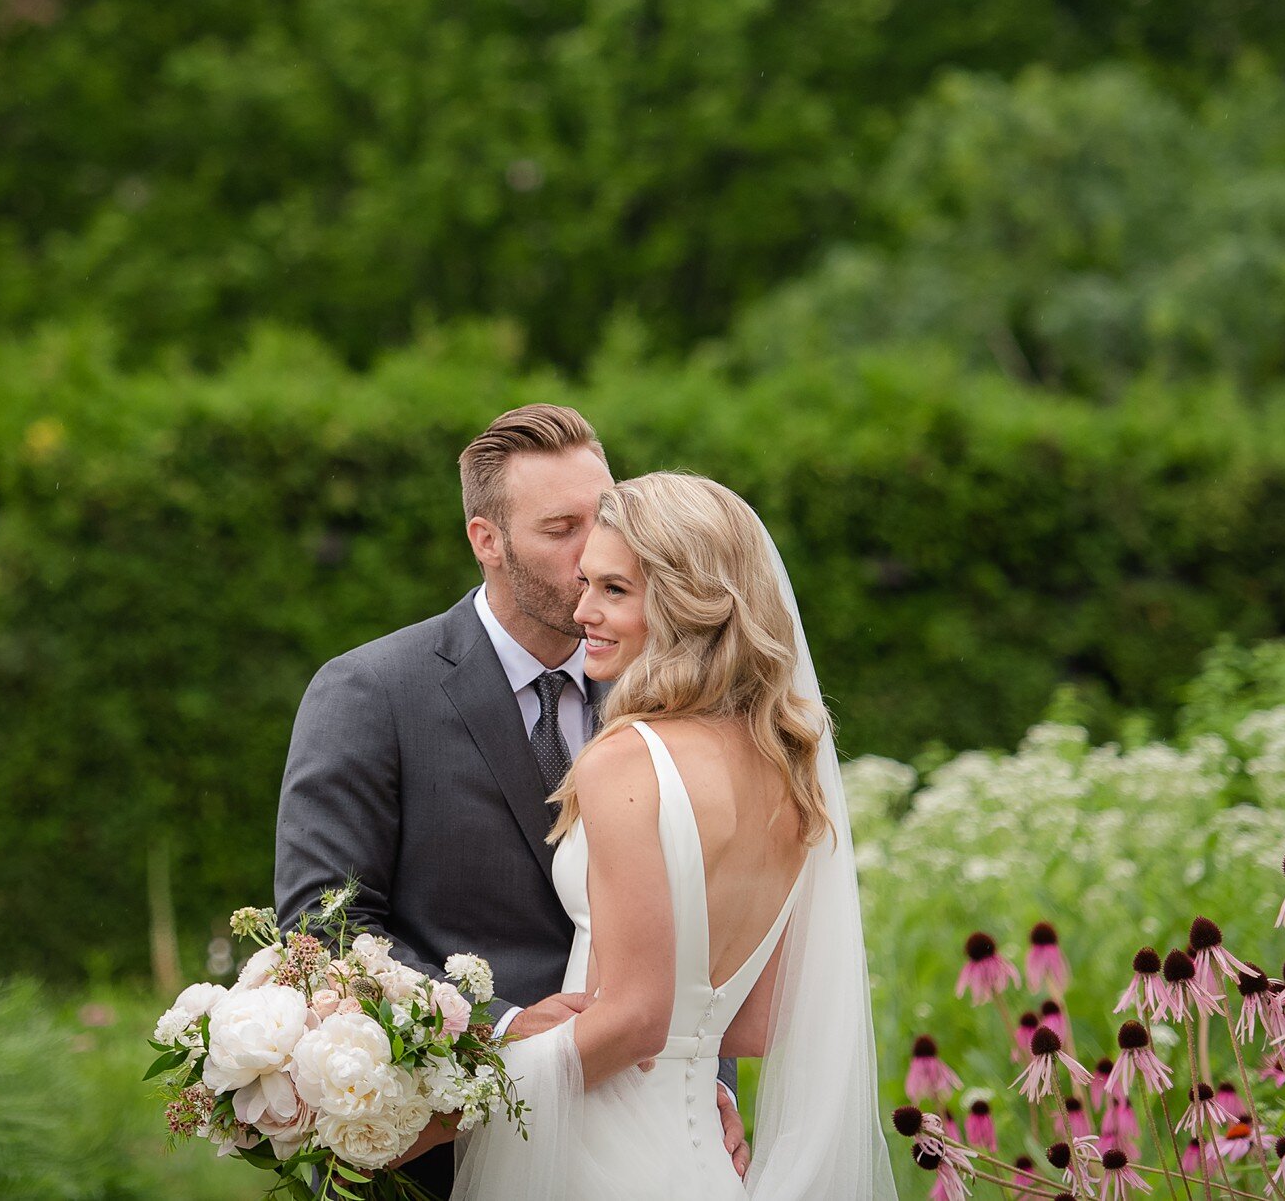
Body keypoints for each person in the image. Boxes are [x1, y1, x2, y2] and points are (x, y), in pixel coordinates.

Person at [273, 407, 749, 1198]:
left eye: (602, 519)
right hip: (448, 1153)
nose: (590, 552)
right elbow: (322, 928)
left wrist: (713, 1080)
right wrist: (494, 1022)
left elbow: (708, 919)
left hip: (649, 1144)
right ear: (485, 540)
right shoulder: (370, 693)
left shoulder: (663, 694)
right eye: (559, 528)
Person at [447, 471, 900, 1201]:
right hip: (701, 1163)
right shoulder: (788, 766)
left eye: (616, 590)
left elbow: (635, 1018)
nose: (582, 609)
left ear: (691, 605)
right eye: (587, 582)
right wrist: (691, 1066)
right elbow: (758, 1021)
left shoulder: (627, 760)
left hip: (602, 1161)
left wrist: (454, 1103)